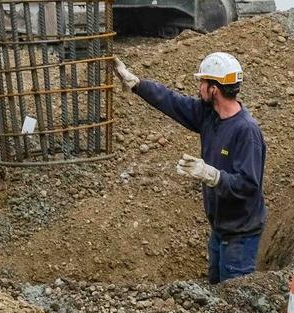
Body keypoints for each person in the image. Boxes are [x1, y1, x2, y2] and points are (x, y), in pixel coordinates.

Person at [114, 51, 266, 284]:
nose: (199, 87)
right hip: (220, 229)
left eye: (203, 82)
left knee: (236, 300)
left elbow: (248, 185)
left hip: (240, 235)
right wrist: (137, 84)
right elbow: (172, 101)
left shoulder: (246, 131)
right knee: (217, 292)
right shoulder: (210, 116)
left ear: (214, 89)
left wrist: (211, 174)